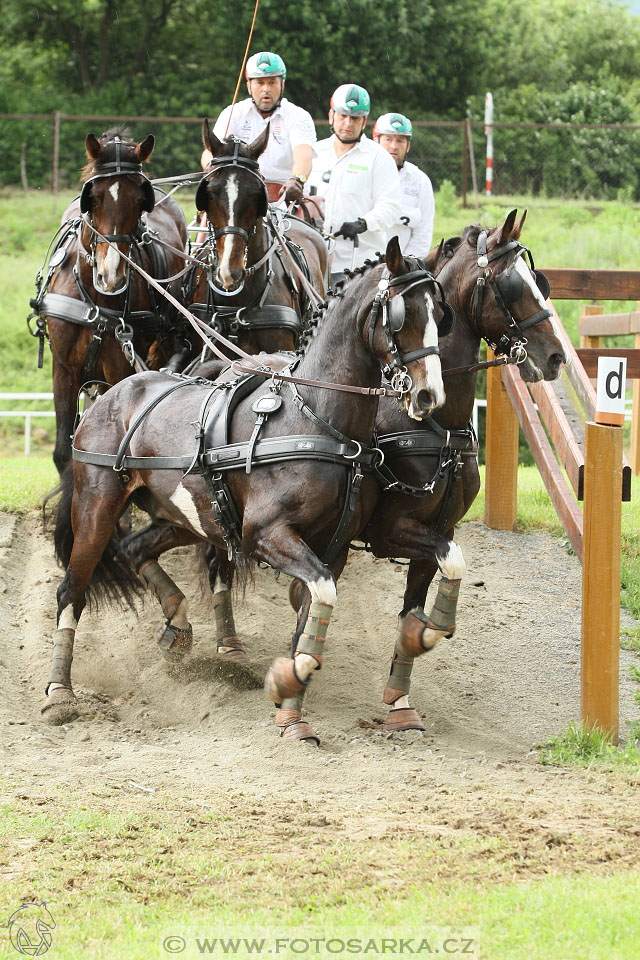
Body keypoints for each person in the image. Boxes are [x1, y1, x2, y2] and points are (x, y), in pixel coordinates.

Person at [306, 84, 402, 283]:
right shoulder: (315, 153)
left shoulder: (378, 158)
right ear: (331, 115)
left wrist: (364, 223)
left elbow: (391, 207)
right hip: (314, 259)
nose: (348, 123)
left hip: (359, 263)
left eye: (355, 118)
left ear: (364, 121)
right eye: (343, 116)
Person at [201, 52, 316, 204]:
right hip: (239, 195)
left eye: (272, 82)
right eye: (260, 83)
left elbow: (304, 155)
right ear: (249, 86)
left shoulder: (298, 116)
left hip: (285, 197)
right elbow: (209, 153)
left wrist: (297, 180)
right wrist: (212, 168)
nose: (266, 89)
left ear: (282, 84)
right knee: (204, 224)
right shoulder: (233, 112)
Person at [372, 112, 435, 257]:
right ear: (376, 141)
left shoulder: (420, 181)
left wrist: (404, 267)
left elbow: (423, 232)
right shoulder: (363, 174)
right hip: (362, 264)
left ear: (408, 146)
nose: (394, 146)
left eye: (400, 141)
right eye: (388, 139)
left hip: (400, 267)